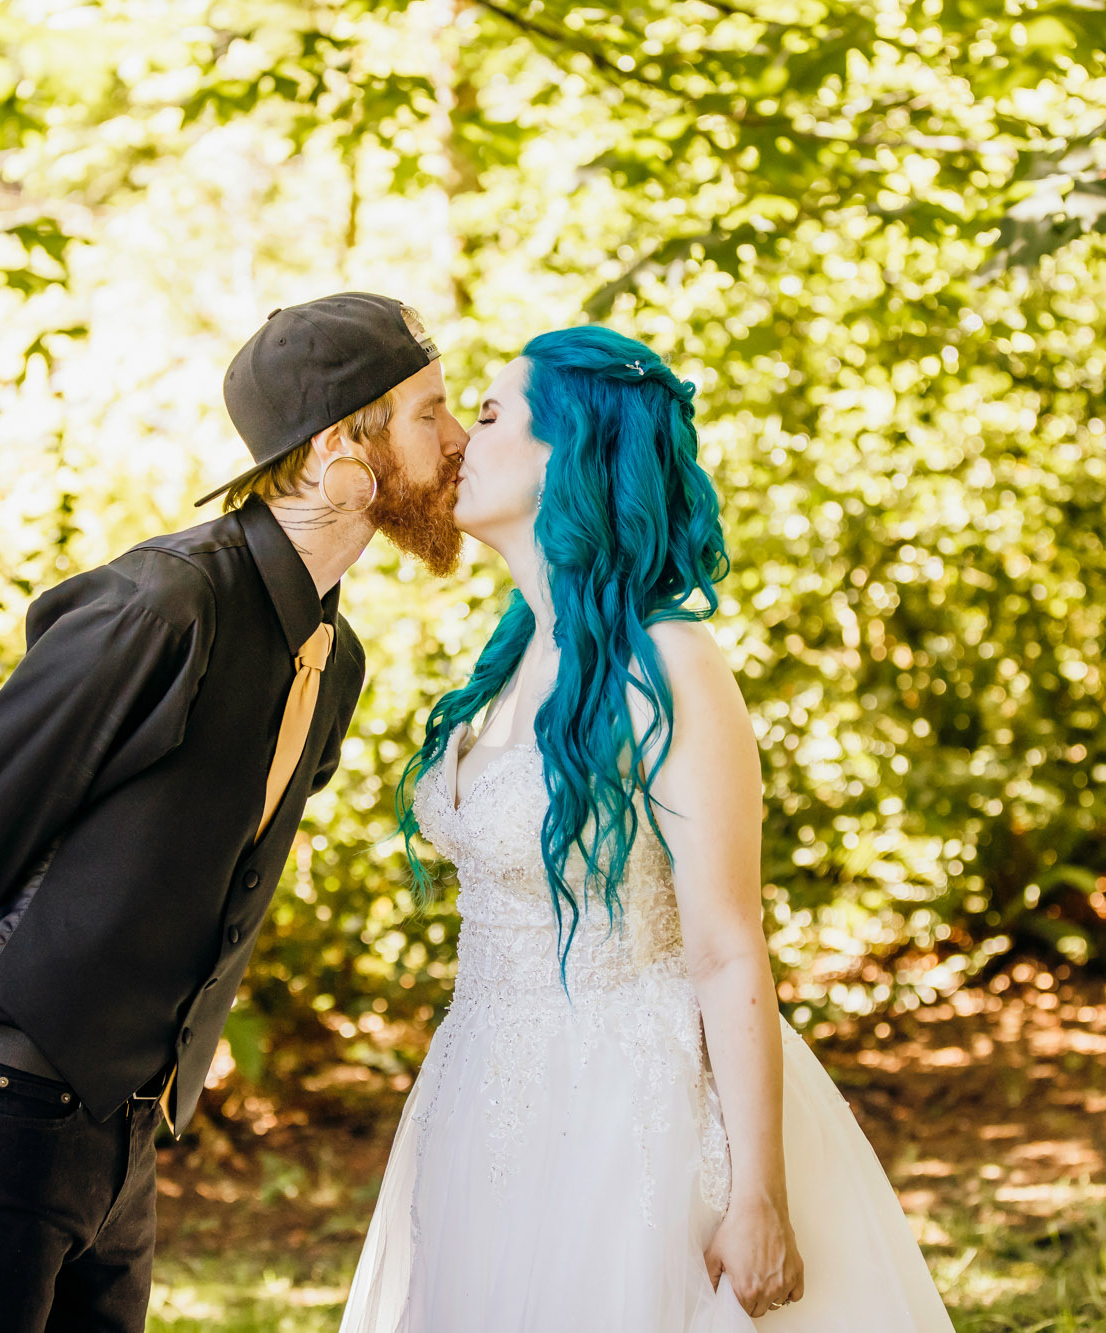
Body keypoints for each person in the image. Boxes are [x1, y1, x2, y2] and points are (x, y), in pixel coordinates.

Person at [0, 292, 470, 1333]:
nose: (459, 441)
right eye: (430, 414)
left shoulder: (335, 655)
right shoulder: (162, 603)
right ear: (337, 451)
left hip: (123, 1126)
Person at [338, 327, 956, 1331]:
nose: (453, 442)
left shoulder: (667, 663)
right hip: (486, 1095)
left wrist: (755, 1191)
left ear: (570, 455)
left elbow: (722, 943)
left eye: (485, 416)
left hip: (632, 1108)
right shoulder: (509, 658)